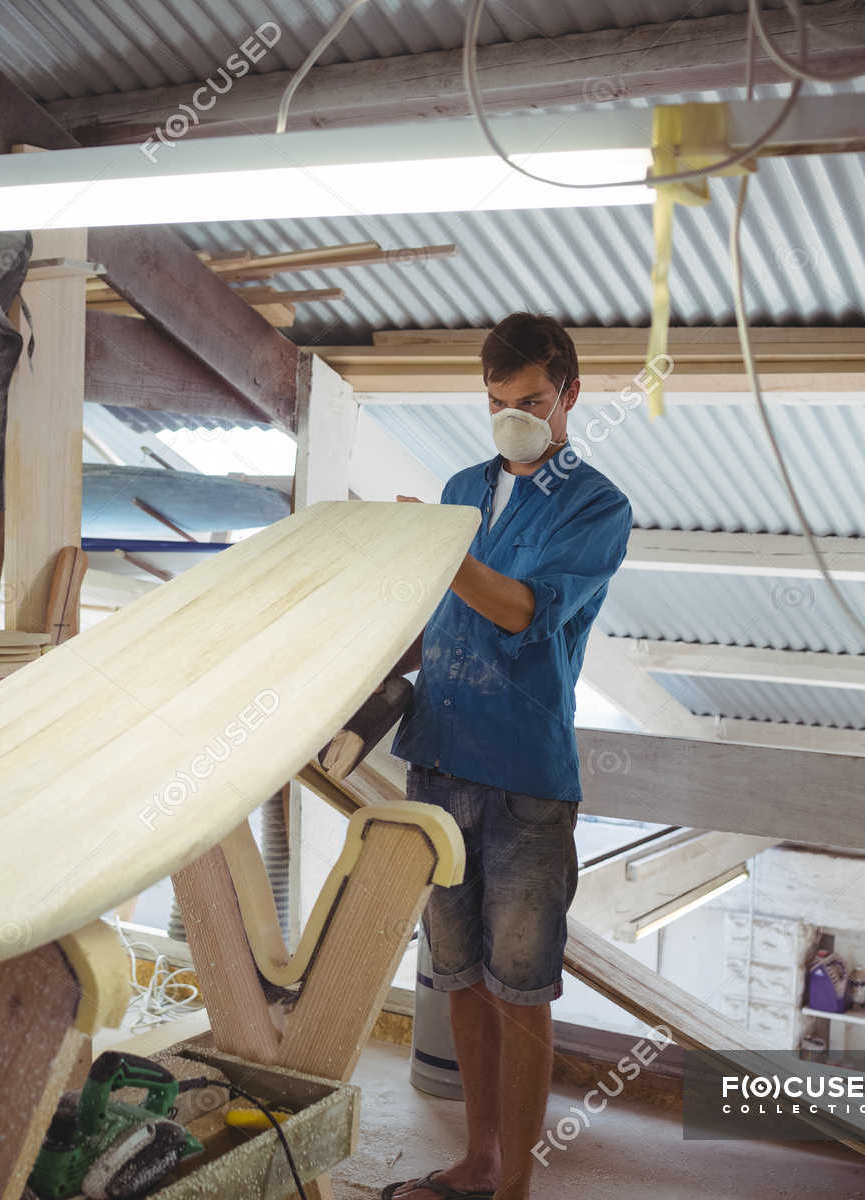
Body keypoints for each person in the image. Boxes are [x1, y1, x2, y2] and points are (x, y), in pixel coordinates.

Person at [382, 313, 632, 1200]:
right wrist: (361, 668)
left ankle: (515, 1183)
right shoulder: (460, 485)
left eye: (529, 401)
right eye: (496, 402)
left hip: (525, 776)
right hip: (439, 763)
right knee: (458, 977)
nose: (512, 418)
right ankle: (477, 1159)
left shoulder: (597, 506)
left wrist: (446, 551)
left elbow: (524, 610)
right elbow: (434, 624)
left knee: (520, 990)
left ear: (569, 393)